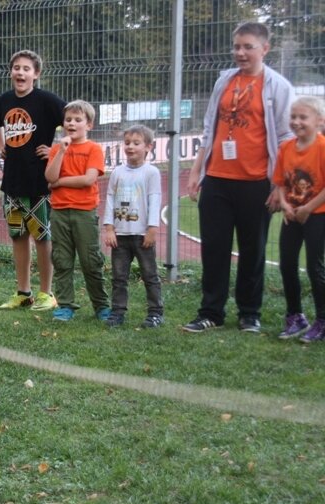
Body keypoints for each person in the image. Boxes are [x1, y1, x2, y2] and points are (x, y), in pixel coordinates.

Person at [183, 21, 294, 333]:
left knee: (252, 250)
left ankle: (249, 313)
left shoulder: (278, 86)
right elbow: (209, 127)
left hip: (256, 182)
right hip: (217, 178)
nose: (240, 53)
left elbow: (285, 138)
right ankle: (211, 312)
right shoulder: (225, 80)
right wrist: (197, 171)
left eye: (248, 47)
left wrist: (278, 184)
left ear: (265, 49)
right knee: (214, 248)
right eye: (237, 47)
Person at [0, 49, 66, 311]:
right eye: (16, 68)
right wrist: (1, 145)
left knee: (42, 238)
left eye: (26, 69)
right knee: (18, 235)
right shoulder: (4, 100)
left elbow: (74, 120)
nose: (20, 73)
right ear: (10, 71)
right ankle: (23, 292)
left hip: (38, 183)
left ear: (36, 74)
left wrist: (56, 149)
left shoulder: (46, 100)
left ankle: (47, 293)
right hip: (12, 182)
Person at [45, 100, 110, 322]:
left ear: (89, 125)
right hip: (59, 211)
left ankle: (101, 305)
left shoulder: (93, 149)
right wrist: (61, 152)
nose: (71, 124)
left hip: (84, 211)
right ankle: (65, 305)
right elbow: (49, 177)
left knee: (90, 260)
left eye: (78, 120)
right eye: (68, 120)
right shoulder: (57, 149)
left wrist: (59, 183)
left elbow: (88, 179)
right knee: (62, 259)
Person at [272, 96, 325, 342]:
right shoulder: (286, 148)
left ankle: (322, 320)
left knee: (315, 267)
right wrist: (284, 204)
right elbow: (281, 182)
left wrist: (308, 208)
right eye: (293, 117)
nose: (296, 122)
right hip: (292, 216)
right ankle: (295, 316)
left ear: (319, 121)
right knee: (287, 264)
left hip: (317, 215)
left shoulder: (322, 148)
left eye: (303, 117)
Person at [102, 125, 164, 328]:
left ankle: (155, 313)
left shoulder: (151, 172)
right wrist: (109, 228)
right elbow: (110, 199)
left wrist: (152, 229)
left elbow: (155, 200)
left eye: (136, 143)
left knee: (150, 275)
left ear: (148, 147)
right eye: (127, 143)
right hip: (120, 235)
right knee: (119, 277)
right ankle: (117, 312)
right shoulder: (117, 172)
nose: (130, 147)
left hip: (142, 235)